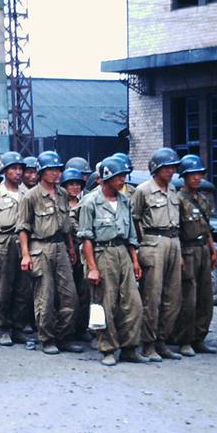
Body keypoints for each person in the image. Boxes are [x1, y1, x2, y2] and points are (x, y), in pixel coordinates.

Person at [78, 156, 145, 365]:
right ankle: (107, 348)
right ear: (106, 178)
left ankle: (129, 348)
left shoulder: (124, 201)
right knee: (105, 303)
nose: (122, 180)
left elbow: (131, 233)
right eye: (118, 177)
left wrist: (134, 260)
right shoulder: (90, 202)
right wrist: (92, 268)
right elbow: (86, 237)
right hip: (101, 253)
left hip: (122, 252)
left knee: (132, 303)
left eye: (124, 176)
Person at [16, 150, 82, 355]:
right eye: (50, 170)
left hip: (60, 246)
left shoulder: (62, 193)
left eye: (58, 170)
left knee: (69, 296)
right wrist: (26, 255)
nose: (55, 174)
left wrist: (71, 248)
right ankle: (47, 338)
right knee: (45, 296)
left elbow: (66, 226)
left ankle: (64, 336)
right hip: (39, 247)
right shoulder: (31, 196)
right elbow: (23, 228)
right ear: (41, 172)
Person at [131, 147, 183, 362]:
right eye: (166, 168)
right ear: (156, 169)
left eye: (173, 167)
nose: (171, 171)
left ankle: (162, 340)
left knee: (173, 297)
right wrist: (139, 248)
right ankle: (147, 343)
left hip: (173, 242)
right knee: (152, 296)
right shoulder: (143, 190)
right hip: (153, 243)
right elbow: (134, 220)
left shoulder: (173, 191)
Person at [0, 151, 32, 347]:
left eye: (20, 168)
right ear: (5, 171)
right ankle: (4, 328)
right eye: (13, 168)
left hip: (24, 242)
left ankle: (19, 328)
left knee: (23, 287)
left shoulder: (28, 194)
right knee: (4, 287)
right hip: (3, 241)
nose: (18, 172)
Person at [174, 154, 217, 356]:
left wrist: (213, 249)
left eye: (199, 174)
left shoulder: (202, 199)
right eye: (192, 174)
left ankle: (200, 337)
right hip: (187, 250)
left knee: (206, 298)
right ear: (184, 176)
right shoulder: (178, 200)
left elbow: (207, 228)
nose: (197, 178)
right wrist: (180, 256)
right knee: (188, 298)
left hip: (203, 250)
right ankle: (185, 339)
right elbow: (175, 230)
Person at [62, 167, 90, 341]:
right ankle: (67, 329)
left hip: (85, 250)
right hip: (66, 251)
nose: (74, 187)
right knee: (67, 293)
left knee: (85, 291)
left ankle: (82, 328)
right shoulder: (60, 203)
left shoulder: (86, 202)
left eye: (77, 184)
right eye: (70, 184)